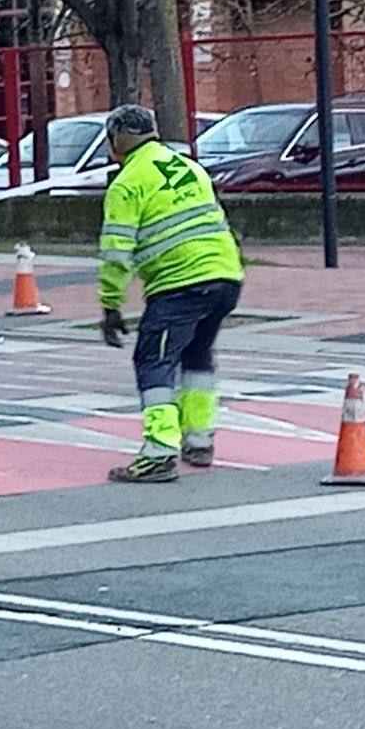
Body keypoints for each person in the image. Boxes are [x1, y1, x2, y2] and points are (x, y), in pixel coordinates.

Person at [98, 104, 244, 483]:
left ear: (117, 141)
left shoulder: (127, 183)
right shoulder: (188, 166)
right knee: (197, 354)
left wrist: (111, 305)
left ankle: (159, 452)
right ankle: (198, 439)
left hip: (181, 284)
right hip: (226, 275)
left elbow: (116, 254)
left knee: (154, 360)